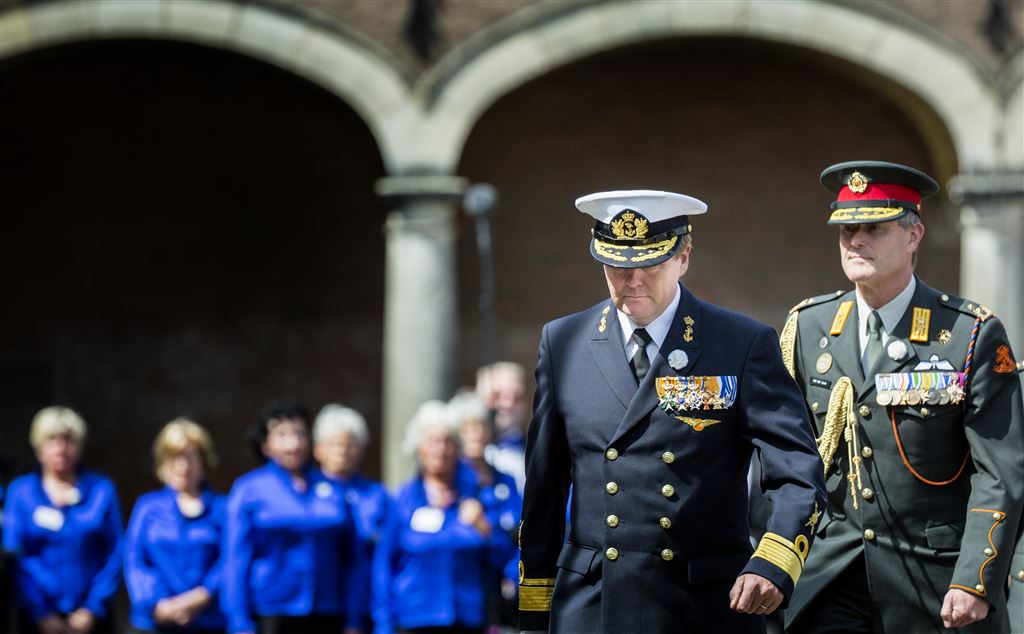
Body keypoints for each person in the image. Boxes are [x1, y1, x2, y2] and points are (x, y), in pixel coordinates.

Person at [518, 190, 827, 633]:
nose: (633, 281)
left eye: (650, 264)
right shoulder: (563, 341)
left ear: (683, 257)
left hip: (699, 603)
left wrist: (774, 561)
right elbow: (544, 489)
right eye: (618, 266)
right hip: (592, 604)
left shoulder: (739, 343)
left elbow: (796, 467)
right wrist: (535, 610)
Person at [781, 161, 1024, 634]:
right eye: (847, 230)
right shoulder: (809, 328)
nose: (856, 241)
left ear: (914, 236)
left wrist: (975, 578)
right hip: (831, 577)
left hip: (935, 580)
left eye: (874, 228)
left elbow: (1000, 471)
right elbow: (787, 455)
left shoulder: (968, 333)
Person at [372, 400, 513, 634]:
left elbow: (504, 558)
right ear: (419, 447)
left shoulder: (477, 496)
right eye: (432, 441)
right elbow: (383, 566)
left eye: (448, 441)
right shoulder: (403, 501)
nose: (440, 449)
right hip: (414, 620)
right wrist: (383, 625)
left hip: (468, 620)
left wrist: (484, 528)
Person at [222, 401, 359, 634]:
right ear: (265, 444)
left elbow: (353, 558)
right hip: (271, 610)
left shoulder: (333, 489)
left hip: (327, 610)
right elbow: (236, 558)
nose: (293, 443)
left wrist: (354, 618)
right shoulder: (249, 489)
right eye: (282, 435)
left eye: (300, 433)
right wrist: (239, 622)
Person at [2, 406, 123, 634]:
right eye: (51, 440)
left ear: (79, 446)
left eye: (68, 440)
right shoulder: (21, 493)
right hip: (36, 618)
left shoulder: (101, 490)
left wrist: (91, 609)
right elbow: (15, 556)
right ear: (38, 447)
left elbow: (115, 551)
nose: (60, 447)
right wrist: (41, 613)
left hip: (92, 619)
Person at [124, 418, 226, 633]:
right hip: (154, 621)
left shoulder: (221, 508)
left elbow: (229, 560)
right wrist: (158, 602)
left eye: (190, 456)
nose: (183, 466)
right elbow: (134, 559)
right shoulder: (148, 507)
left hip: (207, 621)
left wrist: (200, 597)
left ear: (204, 461)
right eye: (175, 457)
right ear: (163, 461)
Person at [311, 403, 391, 633]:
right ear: (318, 449)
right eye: (334, 443)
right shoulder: (307, 492)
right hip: (318, 606)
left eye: (350, 443)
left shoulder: (376, 495)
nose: (342, 450)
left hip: (366, 603)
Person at [450, 391, 522, 626]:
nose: (476, 434)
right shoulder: (451, 479)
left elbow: (521, 532)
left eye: (481, 427)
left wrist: (512, 575)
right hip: (463, 590)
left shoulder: (506, 480)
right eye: (468, 428)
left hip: (503, 590)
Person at [476, 362, 529, 493]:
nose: (507, 404)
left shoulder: (535, 450)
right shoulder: (459, 454)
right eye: (498, 395)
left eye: (516, 397)